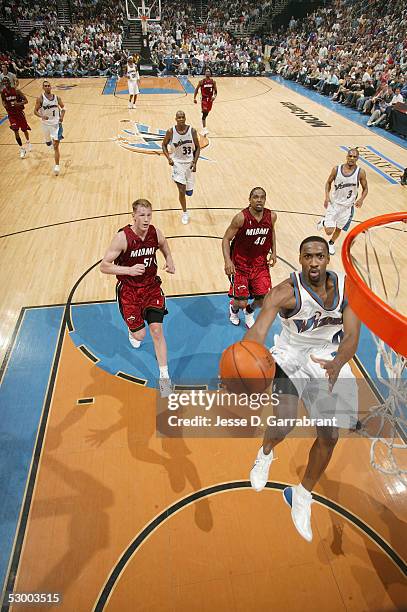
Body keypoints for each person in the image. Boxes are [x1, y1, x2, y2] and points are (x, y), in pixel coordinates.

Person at [246, 236, 360, 542]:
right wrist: (248, 356)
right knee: (285, 421)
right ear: (299, 259)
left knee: (330, 436)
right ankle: (265, 452)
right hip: (291, 354)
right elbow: (259, 329)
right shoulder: (285, 292)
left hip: (327, 357)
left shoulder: (347, 290)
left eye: (319, 256)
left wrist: (339, 361)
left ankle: (301, 494)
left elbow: (351, 336)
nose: (313, 262)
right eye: (308, 256)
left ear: (327, 259)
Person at [100, 199, 175, 398]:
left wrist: (169, 259)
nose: (146, 219)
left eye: (149, 215)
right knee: (140, 336)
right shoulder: (122, 238)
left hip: (151, 287)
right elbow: (104, 266)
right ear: (133, 215)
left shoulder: (155, 232)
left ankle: (164, 377)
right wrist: (129, 270)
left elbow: (164, 245)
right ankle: (132, 329)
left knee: (157, 331)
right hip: (129, 291)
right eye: (142, 215)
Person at [222, 187, 277, 328]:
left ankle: (249, 312)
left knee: (263, 299)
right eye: (255, 197)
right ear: (250, 200)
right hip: (240, 265)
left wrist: (274, 252)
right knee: (241, 302)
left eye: (262, 197)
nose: (259, 200)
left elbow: (272, 233)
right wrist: (228, 261)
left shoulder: (271, 216)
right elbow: (226, 239)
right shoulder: (241, 218)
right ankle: (234, 309)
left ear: (265, 199)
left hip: (260, 264)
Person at [317, 148, 368, 254]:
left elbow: (365, 188)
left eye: (354, 157)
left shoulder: (360, 172)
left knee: (339, 228)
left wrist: (361, 199)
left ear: (357, 158)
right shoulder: (336, 169)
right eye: (350, 156)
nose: (352, 158)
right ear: (347, 156)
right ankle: (324, 222)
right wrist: (327, 196)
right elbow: (328, 183)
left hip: (348, 207)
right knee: (329, 231)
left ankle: (331, 243)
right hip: (335, 203)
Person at [162, 110, 200, 225]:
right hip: (177, 163)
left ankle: (189, 189)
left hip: (189, 163)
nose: (181, 119)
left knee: (189, 192)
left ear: (185, 118)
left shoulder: (192, 131)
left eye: (183, 117)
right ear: (175, 119)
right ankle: (185, 213)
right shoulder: (171, 131)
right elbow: (163, 145)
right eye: (179, 117)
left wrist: (195, 162)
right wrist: (168, 158)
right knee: (181, 190)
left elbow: (198, 147)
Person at [34, 81, 65, 176]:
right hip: (45, 124)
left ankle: (57, 166)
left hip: (56, 124)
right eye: (45, 86)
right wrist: (41, 116)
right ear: (43, 88)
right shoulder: (40, 98)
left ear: (51, 87)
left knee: (56, 146)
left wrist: (62, 117)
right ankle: (48, 142)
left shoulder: (57, 98)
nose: (47, 87)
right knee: (48, 143)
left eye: (48, 85)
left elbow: (64, 108)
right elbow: (35, 111)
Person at [1, 76, 31, 158]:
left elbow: (26, 100)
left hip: (19, 114)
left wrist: (19, 104)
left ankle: (28, 142)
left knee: (24, 130)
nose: (6, 83)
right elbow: (3, 101)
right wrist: (4, 105)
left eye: (7, 82)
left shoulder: (17, 91)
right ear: (3, 83)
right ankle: (22, 149)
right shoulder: (3, 92)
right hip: (11, 115)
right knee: (15, 131)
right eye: (4, 82)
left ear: (9, 82)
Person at [193, 68, 217, 134]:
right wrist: (194, 98)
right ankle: (204, 128)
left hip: (210, 99)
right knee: (204, 112)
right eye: (206, 71)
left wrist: (214, 96)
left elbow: (216, 91)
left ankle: (204, 115)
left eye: (209, 71)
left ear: (210, 73)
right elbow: (196, 90)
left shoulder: (213, 82)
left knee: (207, 112)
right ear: (205, 73)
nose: (207, 72)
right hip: (204, 99)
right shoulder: (201, 81)